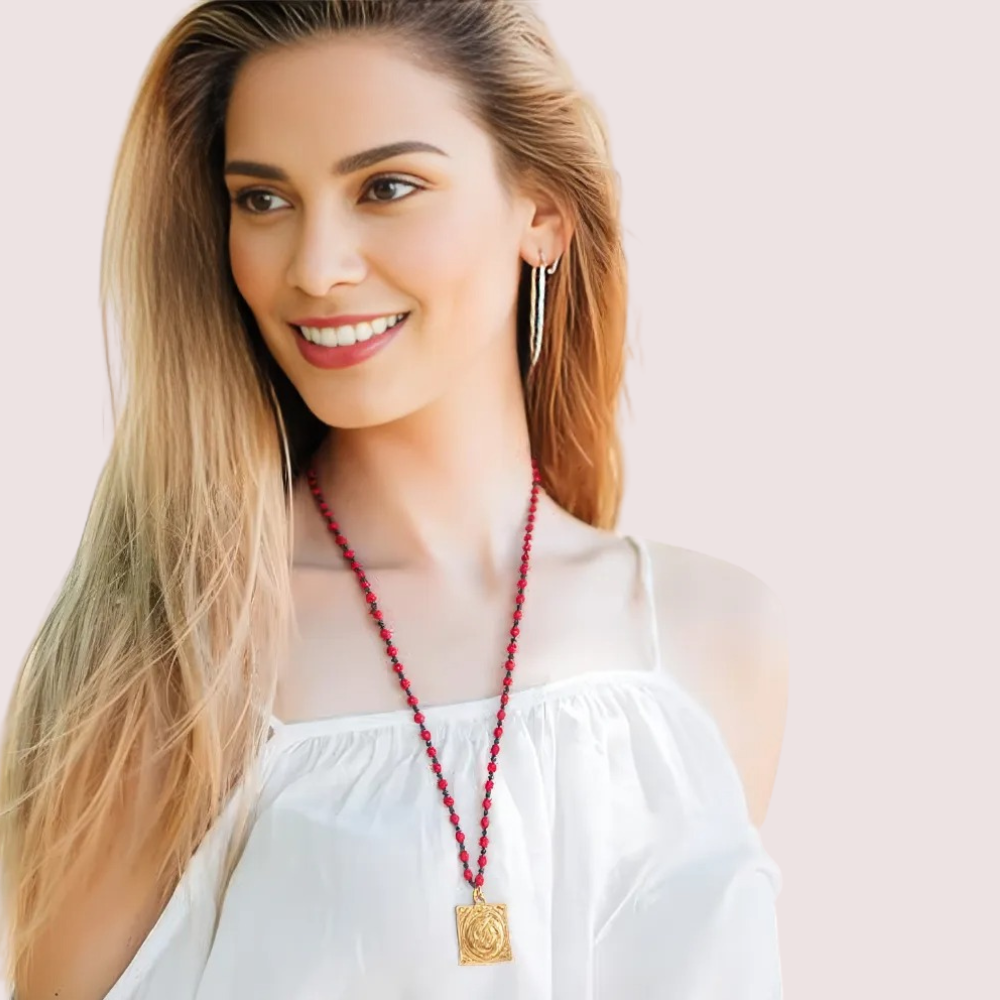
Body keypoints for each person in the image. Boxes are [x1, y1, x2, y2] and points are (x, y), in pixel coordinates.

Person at [0, 1, 789, 997]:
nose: (315, 267)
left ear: (542, 212)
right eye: (263, 200)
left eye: (386, 187)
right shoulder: (176, 650)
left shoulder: (716, 635)